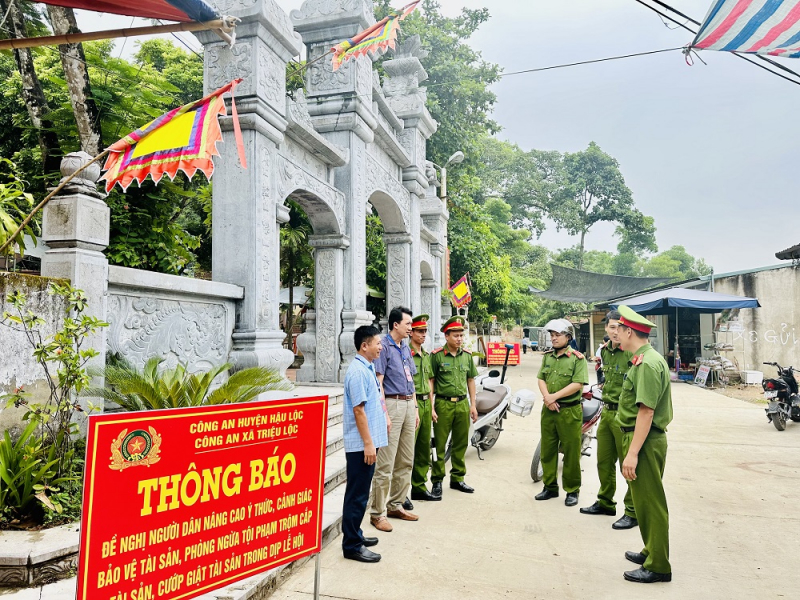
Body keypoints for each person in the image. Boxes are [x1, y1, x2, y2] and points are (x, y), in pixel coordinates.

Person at [616, 305, 673, 584]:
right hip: (642, 437)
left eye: (620, 330)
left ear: (629, 331)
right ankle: (651, 550)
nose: (617, 336)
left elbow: (646, 411)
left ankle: (659, 566)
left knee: (651, 503)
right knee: (644, 501)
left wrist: (632, 453)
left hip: (645, 440)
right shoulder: (644, 359)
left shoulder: (647, 363)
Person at [580, 312, 638, 530]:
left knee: (629, 466)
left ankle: (632, 511)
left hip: (626, 416)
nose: (615, 332)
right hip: (607, 412)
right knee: (603, 462)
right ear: (606, 328)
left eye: (619, 328)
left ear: (627, 330)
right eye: (612, 327)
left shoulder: (632, 353)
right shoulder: (604, 352)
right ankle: (605, 502)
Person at [368, 306, 419, 532]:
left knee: (406, 459)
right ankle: (377, 513)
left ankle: (396, 504)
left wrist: (415, 407)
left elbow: (411, 380)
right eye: (408, 324)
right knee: (386, 463)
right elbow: (378, 382)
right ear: (395, 324)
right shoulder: (385, 347)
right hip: (392, 403)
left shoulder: (405, 347)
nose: (411, 328)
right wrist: (384, 413)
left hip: (408, 403)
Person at [341, 325, 388, 563]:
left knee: (361, 492)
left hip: (368, 442)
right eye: (377, 343)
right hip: (361, 445)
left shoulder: (367, 367)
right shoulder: (358, 372)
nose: (381, 347)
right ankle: (351, 545)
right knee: (357, 495)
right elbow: (359, 411)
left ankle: (356, 534)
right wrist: (369, 444)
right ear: (364, 346)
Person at [535, 318, 589, 507]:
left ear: (568, 337)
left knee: (571, 452)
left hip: (569, 411)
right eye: (552, 335)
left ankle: (572, 490)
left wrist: (554, 397)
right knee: (547, 450)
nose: (554, 338)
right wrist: (547, 398)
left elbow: (577, 384)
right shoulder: (547, 357)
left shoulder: (577, 359)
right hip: (549, 411)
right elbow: (541, 378)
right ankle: (549, 487)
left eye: (557, 335)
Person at [429, 315, 479, 496]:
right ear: (446, 336)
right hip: (443, 404)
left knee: (461, 443)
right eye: (456, 336)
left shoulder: (466, 356)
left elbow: (471, 380)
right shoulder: (436, 356)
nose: (459, 339)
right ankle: (437, 480)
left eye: (461, 336)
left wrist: (473, 405)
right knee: (439, 445)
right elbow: (431, 381)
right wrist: (431, 406)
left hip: (462, 404)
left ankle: (458, 478)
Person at [408, 314, 438, 502]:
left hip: (427, 403)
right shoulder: (407, 355)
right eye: (420, 331)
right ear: (411, 332)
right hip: (413, 403)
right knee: (408, 449)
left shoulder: (426, 355)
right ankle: (402, 492)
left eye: (425, 331)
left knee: (423, 448)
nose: (423, 335)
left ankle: (419, 486)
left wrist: (432, 406)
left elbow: (430, 380)